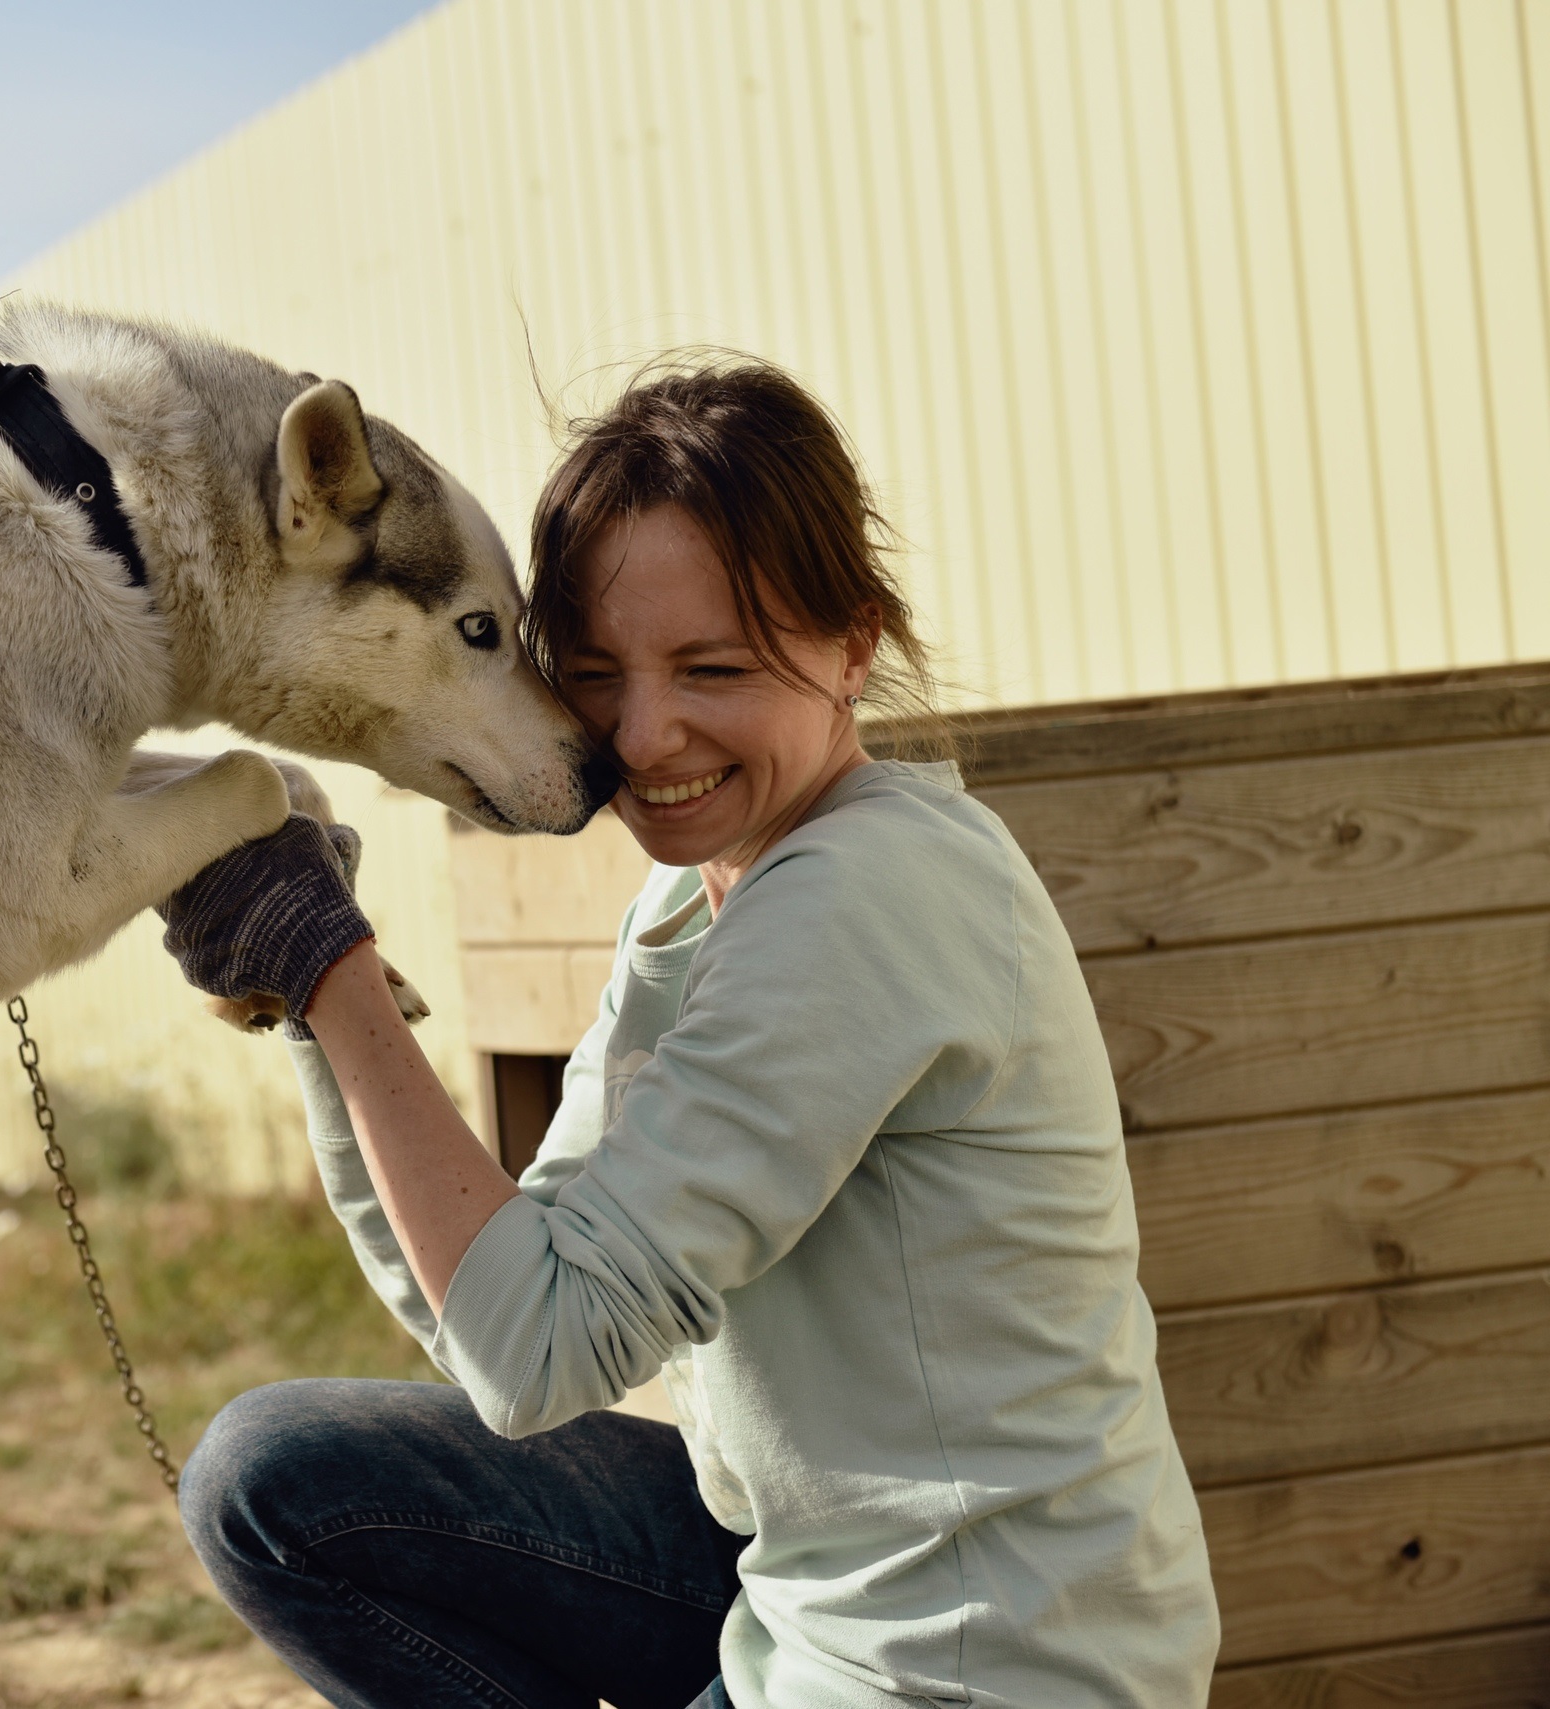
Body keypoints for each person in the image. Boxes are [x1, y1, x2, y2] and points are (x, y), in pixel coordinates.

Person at [155, 357, 1219, 1708]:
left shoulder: (865, 890)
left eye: (711, 666)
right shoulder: (699, 893)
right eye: (595, 671)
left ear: (855, 643)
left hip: (977, 1667)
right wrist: (309, 1004)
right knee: (275, 1477)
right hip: (793, 1598)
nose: (644, 735)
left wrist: (334, 973)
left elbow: (535, 1348)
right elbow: (495, 1322)